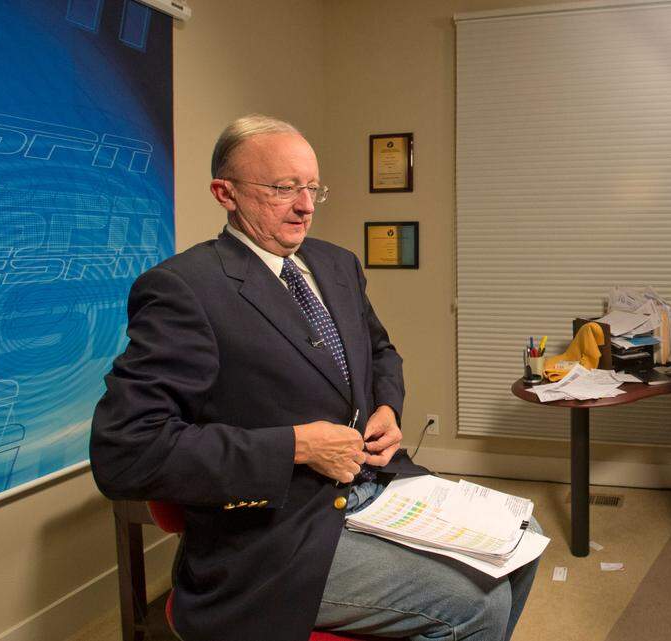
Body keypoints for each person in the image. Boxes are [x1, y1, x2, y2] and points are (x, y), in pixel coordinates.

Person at [90, 114, 540, 641]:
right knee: (472, 603)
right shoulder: (183, 290)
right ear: (224, 193)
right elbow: (125, 451)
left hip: (374, 483)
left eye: (311, 188)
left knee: (522, 540)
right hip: (278, 533)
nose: (304, 205)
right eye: (283, 189)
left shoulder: (335, 264)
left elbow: (379, 352)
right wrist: (295, 447)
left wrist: (388, 409)